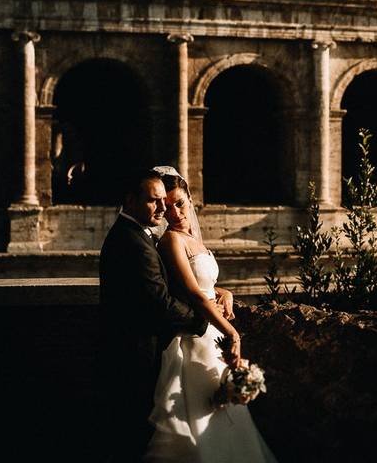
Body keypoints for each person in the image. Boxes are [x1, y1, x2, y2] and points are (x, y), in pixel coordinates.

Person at [144, 168, 277, 462]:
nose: (175, 212)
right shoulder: (171, 241)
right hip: (195, 337)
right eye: (167, 206)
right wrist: (232, 332)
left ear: (191, 199)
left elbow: (203, 283)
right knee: (201, 413)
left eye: (180, 203)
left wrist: (223, 292)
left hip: (211, 330)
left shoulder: (193, 238)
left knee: (226, 411)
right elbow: (192, 292)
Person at [99, 168, 209, 462]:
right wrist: (201, 321)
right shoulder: (133, 243)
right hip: (133, 354)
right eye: (154, 201)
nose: (163, 208)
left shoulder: (135, 235)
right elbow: (158, 302)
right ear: (130, 200)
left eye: (166, 200)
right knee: (134, 435)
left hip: (133, 350)